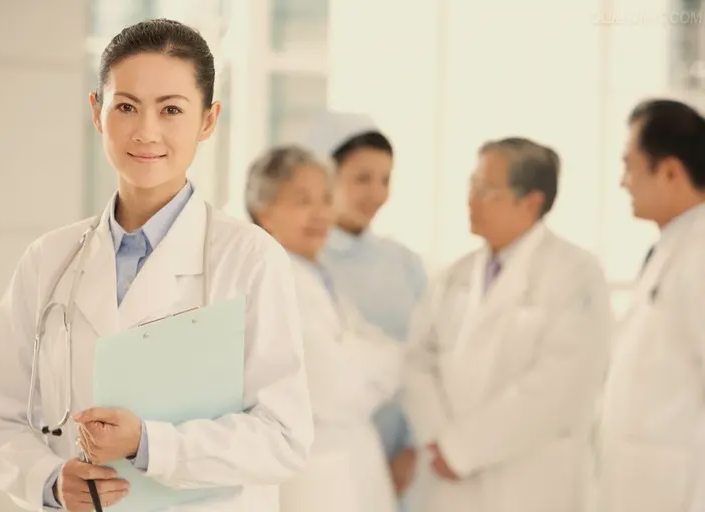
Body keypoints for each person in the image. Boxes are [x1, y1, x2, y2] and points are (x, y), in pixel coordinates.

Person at [0, 19, 313, 512]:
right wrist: (49, 481)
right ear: (97, 111)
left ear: (208, 120)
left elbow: (283, 437)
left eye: (171, 109)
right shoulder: (49, 259)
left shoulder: (249, 257)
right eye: (126, 107)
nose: (146, 131)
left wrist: (150, 444)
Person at [403, 137, 612, 512]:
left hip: (530, 482)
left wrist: (464, 449)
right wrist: (439, 441)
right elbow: (417, 361)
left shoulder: (576, 274)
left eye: (486, 191)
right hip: (449, 480)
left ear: (530, 202)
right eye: (472, 186)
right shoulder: (454, 276)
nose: (471, 200)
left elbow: (561, 386)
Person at [245, 145, 403, 512]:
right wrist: (372, 364)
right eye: (303, 201)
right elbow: (335, 388)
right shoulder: (273, 280)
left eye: (327, 199)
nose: (320, 214)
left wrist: (364, 361)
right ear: (264, 211)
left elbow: (393, 357)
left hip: (349, 463)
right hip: (314, 474)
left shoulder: (318, 275)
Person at [306, 111, 427, 500]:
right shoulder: (301, 262)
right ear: (325, 176)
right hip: (322, 463)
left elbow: (426, 359)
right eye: (362, 178)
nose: (376, 194)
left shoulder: (405, 264)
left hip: (402, 463)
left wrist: (412, 448)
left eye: (385, 180)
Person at [598, 99, 705, 512]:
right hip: (647, 485)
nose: (623, 182)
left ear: (671, 171)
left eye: (630, 166)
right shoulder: (673, 246)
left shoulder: (699, 253)